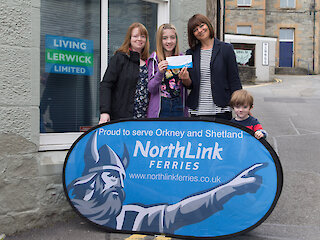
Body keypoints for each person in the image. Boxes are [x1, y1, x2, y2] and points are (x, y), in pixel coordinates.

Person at [67, 131, 266, 233]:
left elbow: (177, 213)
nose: (119, 184)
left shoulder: (128, 218)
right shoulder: (81, 207)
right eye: (112, 176)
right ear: (92, 179)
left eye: (121, 178)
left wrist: (229, 188)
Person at [179, 14, 242, 120]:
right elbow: (190, 85)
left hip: (221, 109)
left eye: (202, 25)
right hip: (197, 110)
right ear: (193, 34)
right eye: (195, 29)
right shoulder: (191, 53)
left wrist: (241, 106)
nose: (200, 30)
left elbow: (234, 80)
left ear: (208, 25)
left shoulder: (226, 49)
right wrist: (185, 79)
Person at [99, 22, 150, 124]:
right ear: (129, 39)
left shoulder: (149, 62)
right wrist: (105, 112)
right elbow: (106, 85)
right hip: (122, 118)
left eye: (142, 36)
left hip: (144, 119)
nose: (139, 39)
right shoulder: (120, 58)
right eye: (135, 36)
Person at [147, 24, 189, 118]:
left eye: (172, 38)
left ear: (176, 39)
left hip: (178, 105)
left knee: (178, 132)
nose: (169, 41)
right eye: (165, 38)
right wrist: (160, 73)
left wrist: (186, 79)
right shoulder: (154, 58)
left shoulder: (181, 58)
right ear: (160, 41)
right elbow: (151, 88)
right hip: (161, 106)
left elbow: (188, 86)